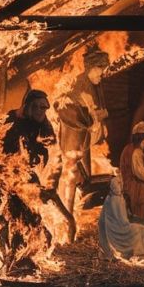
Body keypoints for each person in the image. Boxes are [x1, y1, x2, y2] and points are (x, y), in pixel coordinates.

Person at [0, 89, 65, 273]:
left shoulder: (37, 123)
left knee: (32, 218)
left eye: (45, 107)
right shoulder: (8, 121)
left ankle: (23, 258)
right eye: (39, 107)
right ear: (28, 105)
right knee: (12, 217)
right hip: (3, 178)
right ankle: (9, 260)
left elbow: (46, 144)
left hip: (24, 176)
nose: (43, 111)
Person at [54, 43, 110, 206]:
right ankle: (67, 210)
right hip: (74, 140)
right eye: (101, 69)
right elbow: (77, 112)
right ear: (92, 67)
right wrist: (96, 117)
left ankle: (73, 206)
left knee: (81, 177)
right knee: (71, 176)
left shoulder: (93, 85)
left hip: (82, 140)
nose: (103, 73)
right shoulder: (81, 86)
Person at [98, 176, 144, 261]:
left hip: (115, 228)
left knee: (143, 229)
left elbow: (102, 221)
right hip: (119, 229)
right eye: (118, 184)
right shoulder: (117, 199)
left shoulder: (109, 198)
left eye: (121, 183)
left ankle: (142, 253)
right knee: (140, 230)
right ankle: (139, 253)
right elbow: (123, 221)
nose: (121, 186)